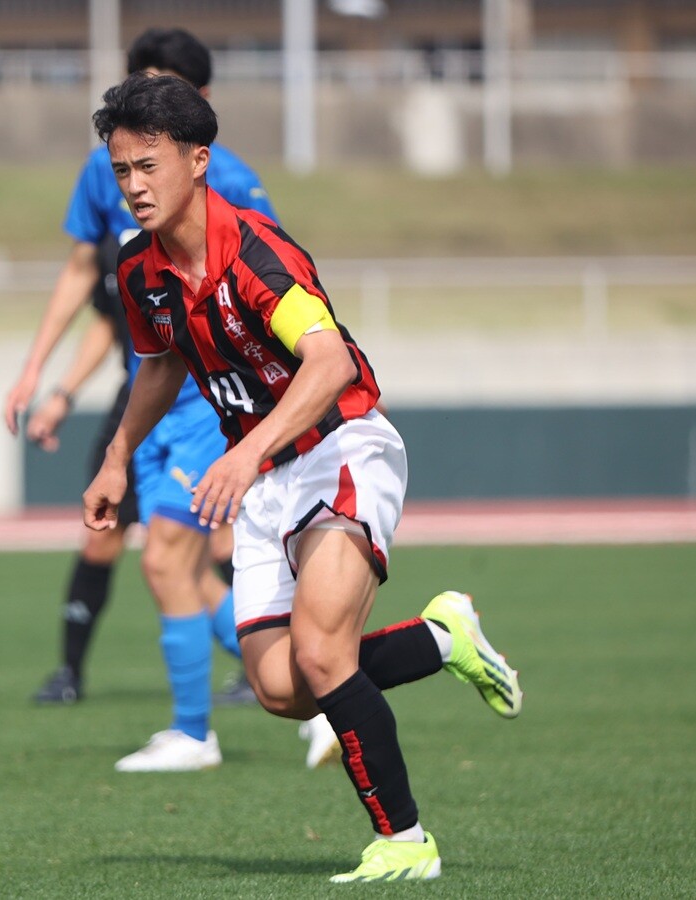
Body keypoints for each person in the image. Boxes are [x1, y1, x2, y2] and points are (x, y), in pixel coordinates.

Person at [84, 72, 523, 881]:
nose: (134, 187)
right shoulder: (141, 271)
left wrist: (246, 450)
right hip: (267, 481)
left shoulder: (255, 250)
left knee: (323, 655)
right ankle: (442, 637)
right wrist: (116, 459)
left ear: (199, 160)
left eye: (150, 165)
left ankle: (405, 842)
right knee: (284, 687)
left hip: (340, 446)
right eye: (122, 171)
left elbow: (328, 362)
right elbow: (157, 365)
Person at [10, 28, 325, 772]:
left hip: (203, 401)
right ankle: (272, 703)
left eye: (163, 93)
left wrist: (252, 423)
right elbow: (114, 305)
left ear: (198, 121)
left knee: (176, 559)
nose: (133, 178)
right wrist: (46, 378)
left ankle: (267, 705)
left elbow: (270, 294)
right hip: (145, 394)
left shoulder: (236, 187)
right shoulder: (106, 174)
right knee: (166, 567)